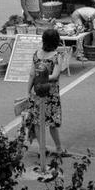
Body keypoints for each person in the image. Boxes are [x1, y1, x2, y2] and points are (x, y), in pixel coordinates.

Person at [25, 28, 65, 175]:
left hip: (37, 93)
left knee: (37, 122)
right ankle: (56, 149)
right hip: (51, 94)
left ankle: (45, 149)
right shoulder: (57, 56)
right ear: (56, 42)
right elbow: (55, 75)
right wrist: (43, 77)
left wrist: (29, 90)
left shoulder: (36, 55)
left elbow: (31, 75)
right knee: (52, 123)